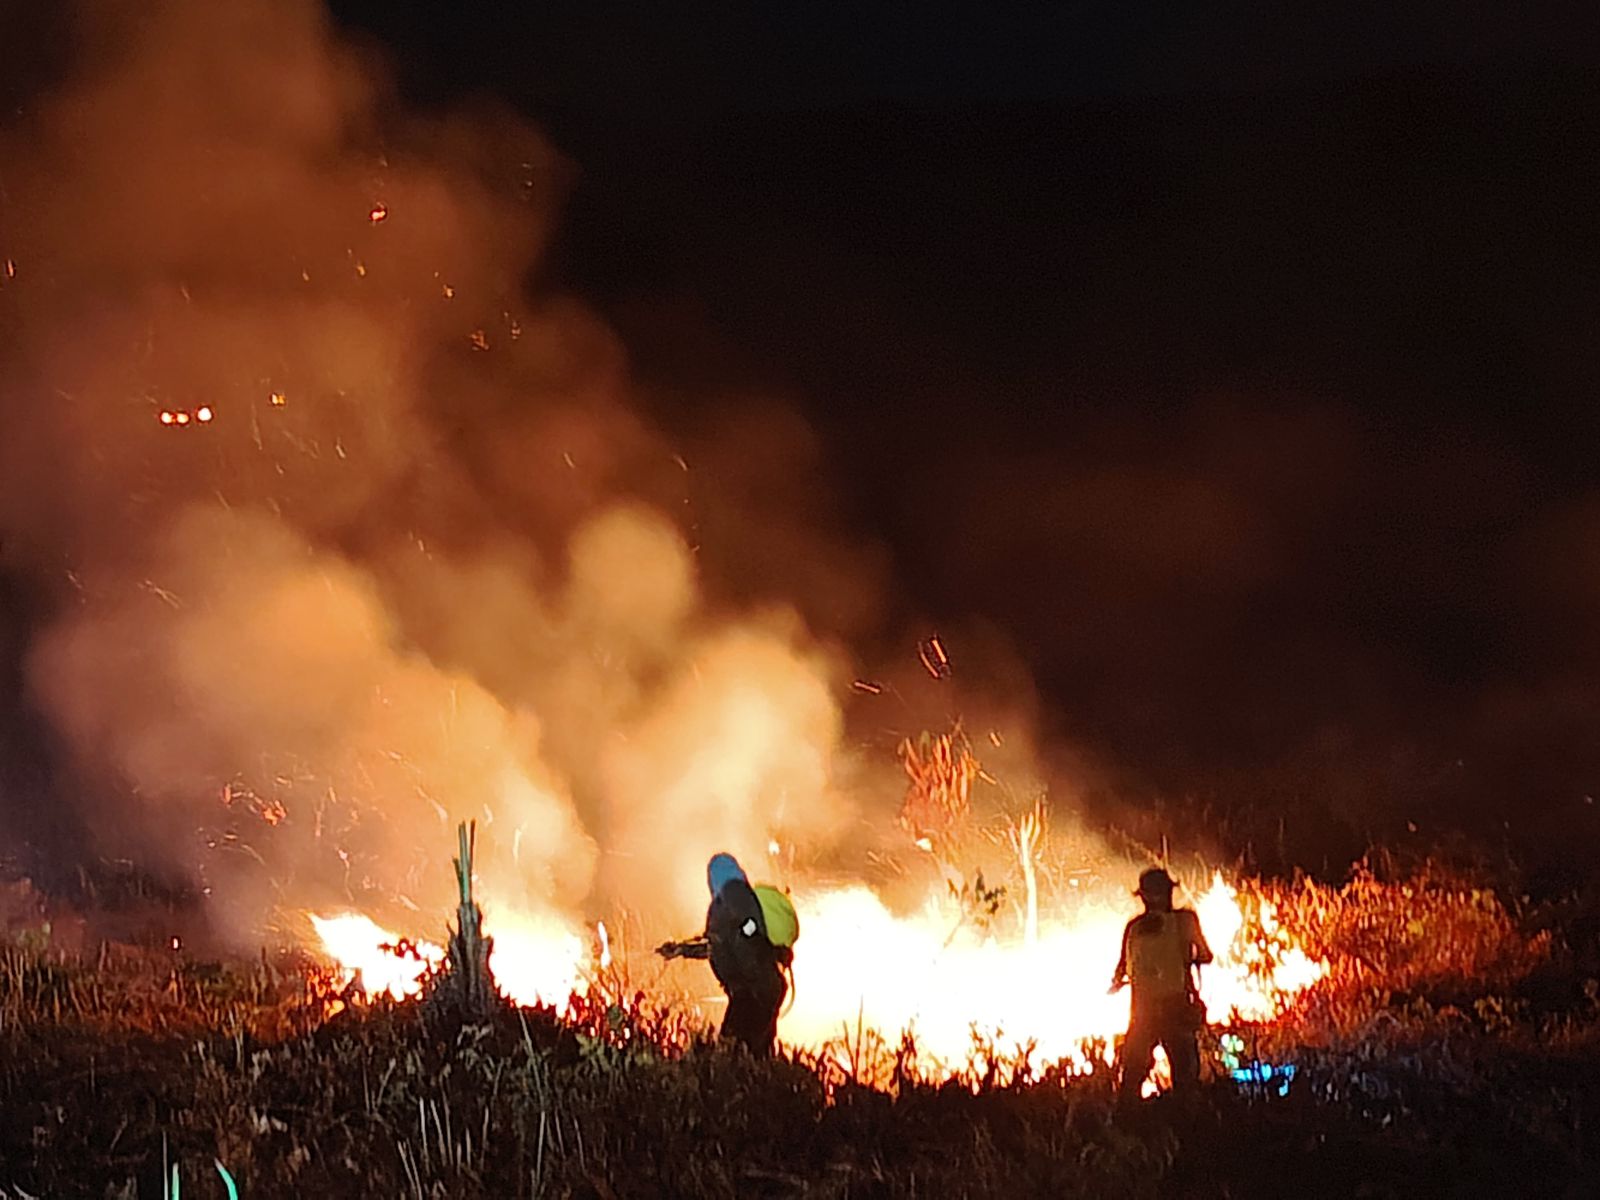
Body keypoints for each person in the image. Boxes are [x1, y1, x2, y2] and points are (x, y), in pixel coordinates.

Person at [656, 852, 794, 1056]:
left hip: (753, 991)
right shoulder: (736, 901)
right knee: (754, 1050)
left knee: (733, 1050)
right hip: (762, 988)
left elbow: (744, 929)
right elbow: (719, 944)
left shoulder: (732, 899)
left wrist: (741, 935)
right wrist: (682, 949)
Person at [1108, 866, 1213, 1102]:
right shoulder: (1185, 921)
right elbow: (1206, 955)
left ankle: (1130, 1118)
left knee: (1132, 1078)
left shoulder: (1133, 928)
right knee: (1185, 1078)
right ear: (1168, 892)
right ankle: (1183, 1118)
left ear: (1143, 896)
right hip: (1175, 1008)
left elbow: (1121, 971)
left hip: (1142, 1011)